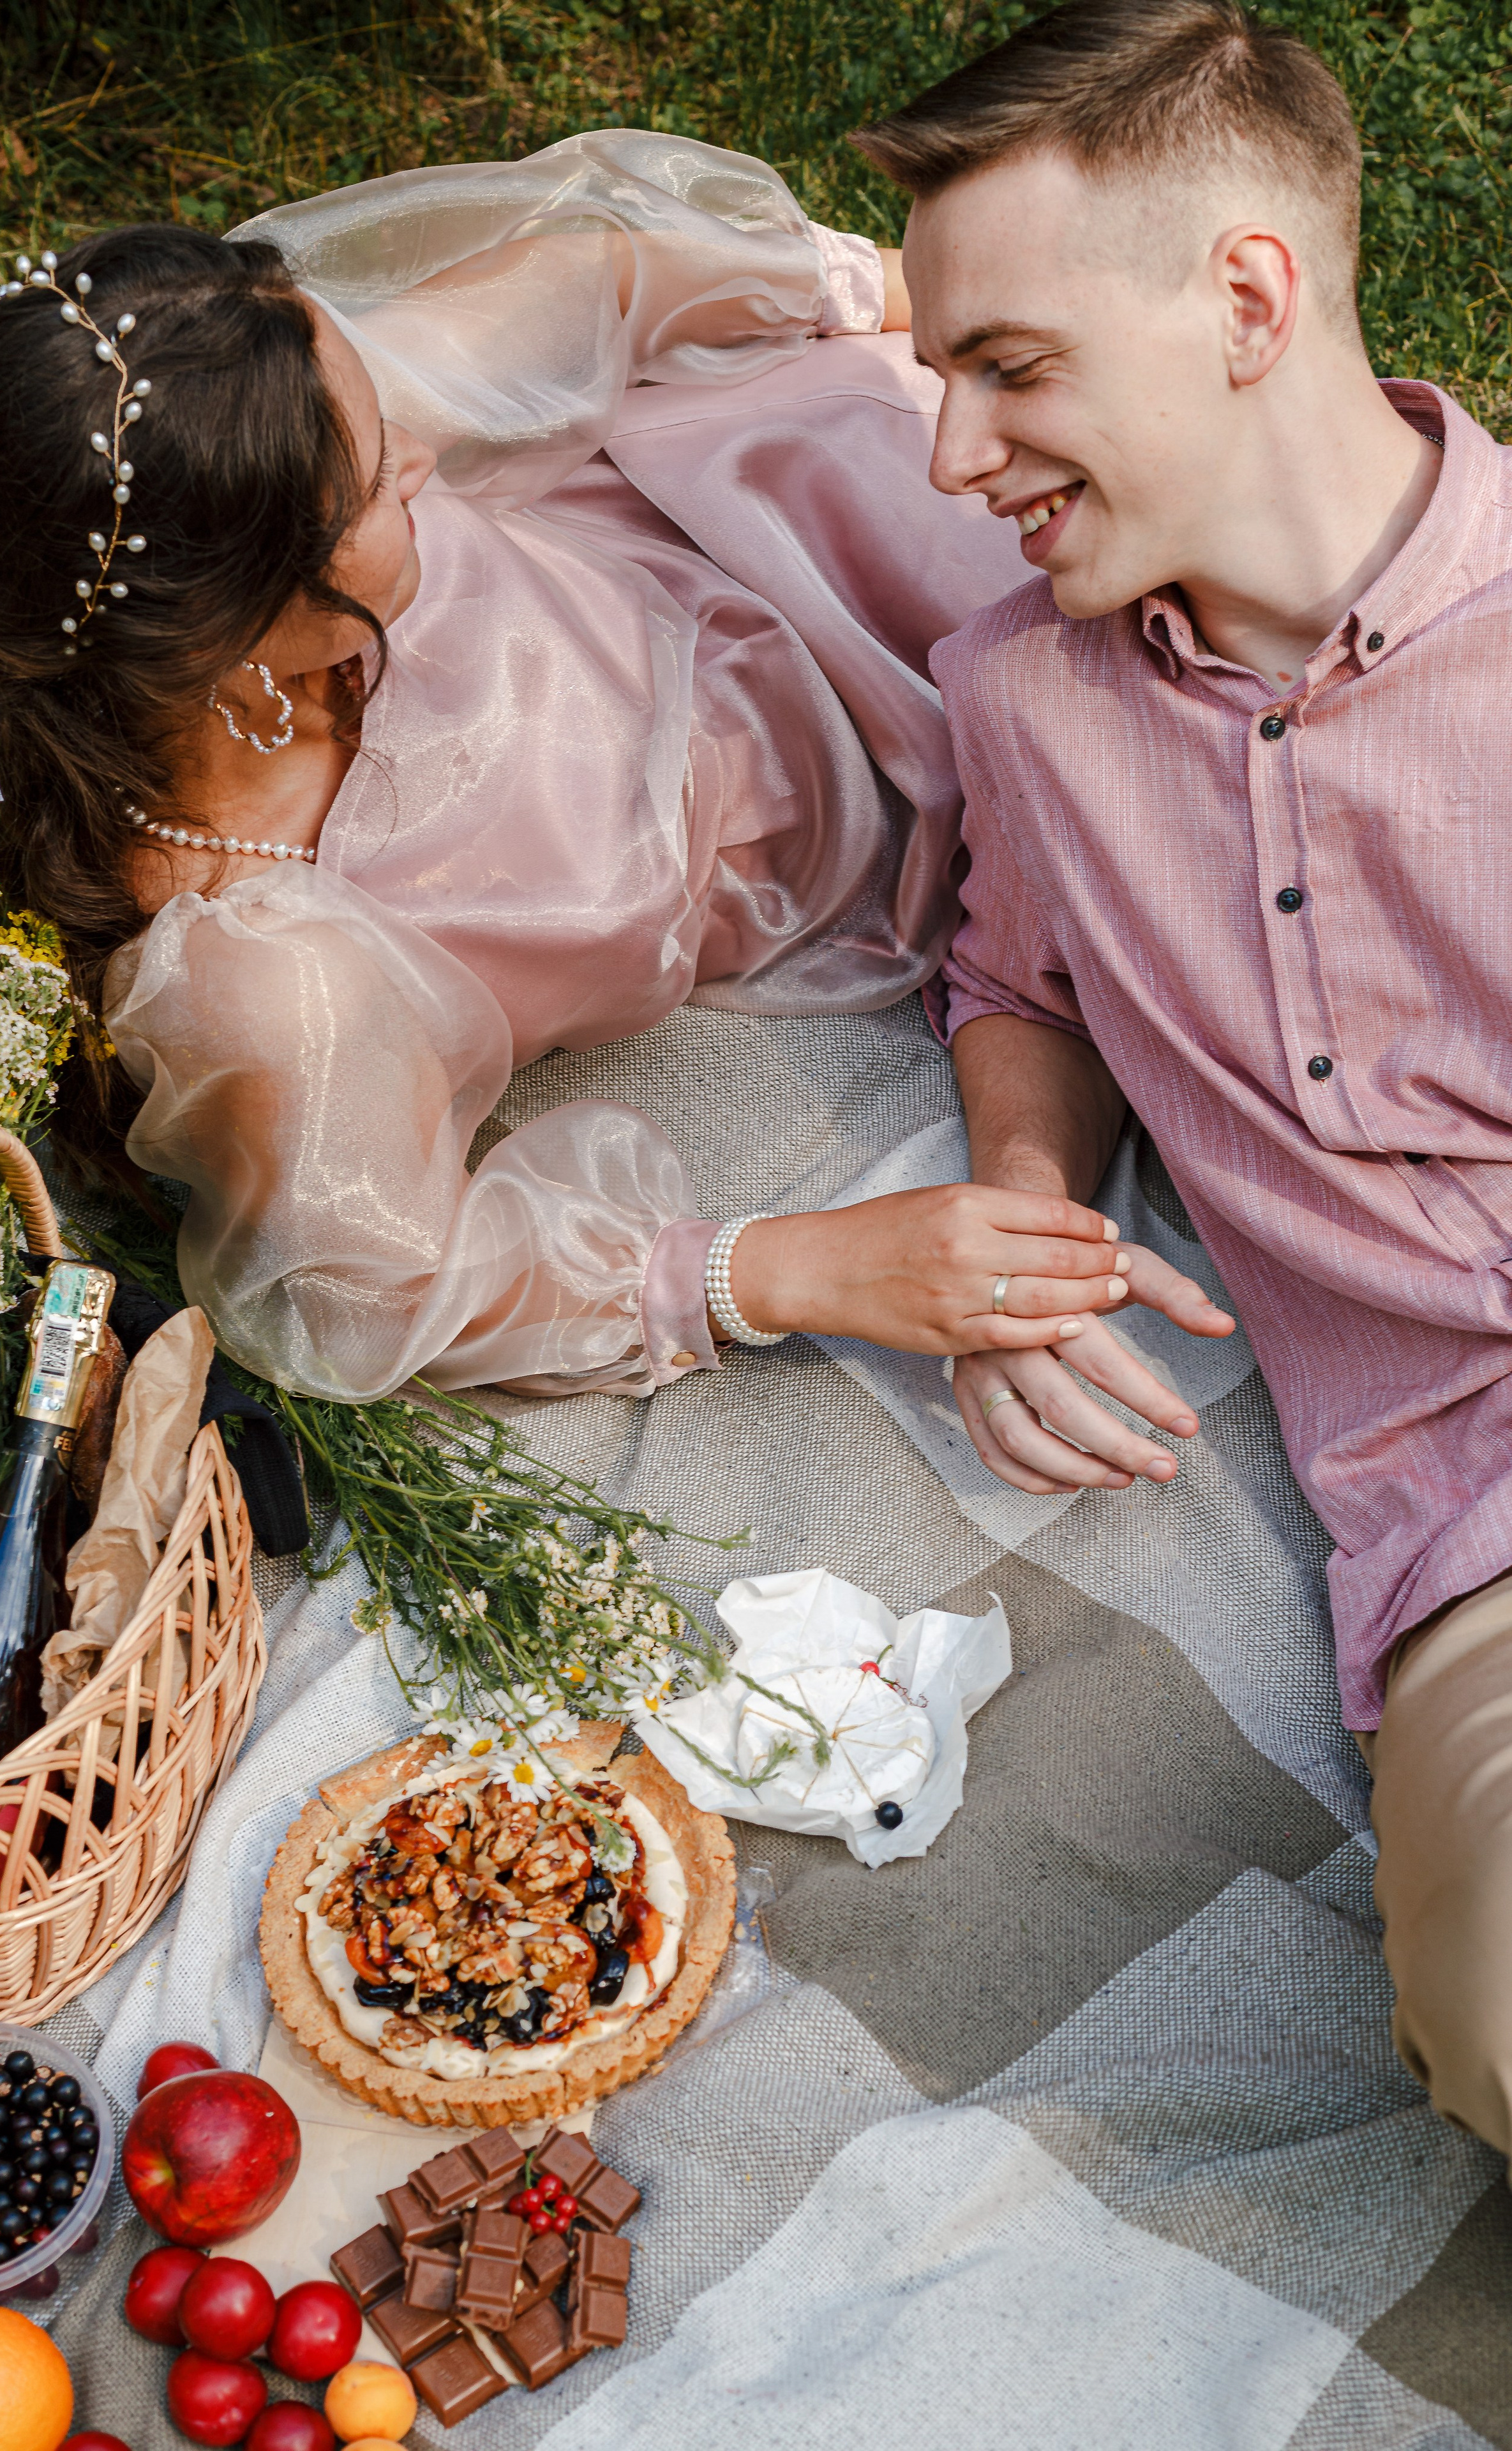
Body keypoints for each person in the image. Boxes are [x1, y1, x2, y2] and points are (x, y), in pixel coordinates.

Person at [0, 133, 1192, 1413]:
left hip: (798, 500)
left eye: (380, 412)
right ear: (237, 643)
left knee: (1176, 509)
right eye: (375, 492)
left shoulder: (256, 416)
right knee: (1191, 763)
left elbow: (606, 276)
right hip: (890, 790)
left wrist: (945, 321)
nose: (418, 453)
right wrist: (784, 1270)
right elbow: (381, 1288)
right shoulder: (266, 968)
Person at [858, 0, 1512, 2155]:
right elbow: (1008, 971)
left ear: (1250, 297)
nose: (956, 455)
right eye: (948, 378)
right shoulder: (1026, 699)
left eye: (1013, 370)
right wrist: (1030, 1218)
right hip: (1471, 1536)